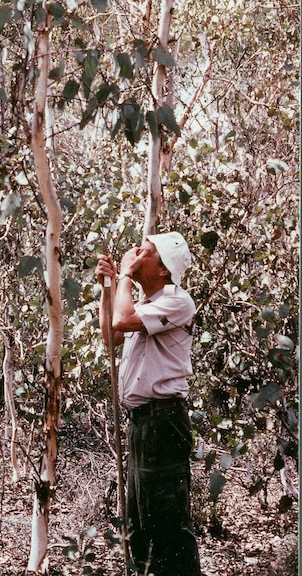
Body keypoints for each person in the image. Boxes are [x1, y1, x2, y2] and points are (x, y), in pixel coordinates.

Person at [97, 231, 202, 576]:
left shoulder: (178, 300)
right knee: (139, 523)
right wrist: (108, 289)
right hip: (143, 424)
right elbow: (110, 336)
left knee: (166, 523)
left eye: (146, 252)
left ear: (162, 270)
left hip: (163, 422)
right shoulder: (145, 304)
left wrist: (125, 275)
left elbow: (121, 322)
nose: (136, 253)